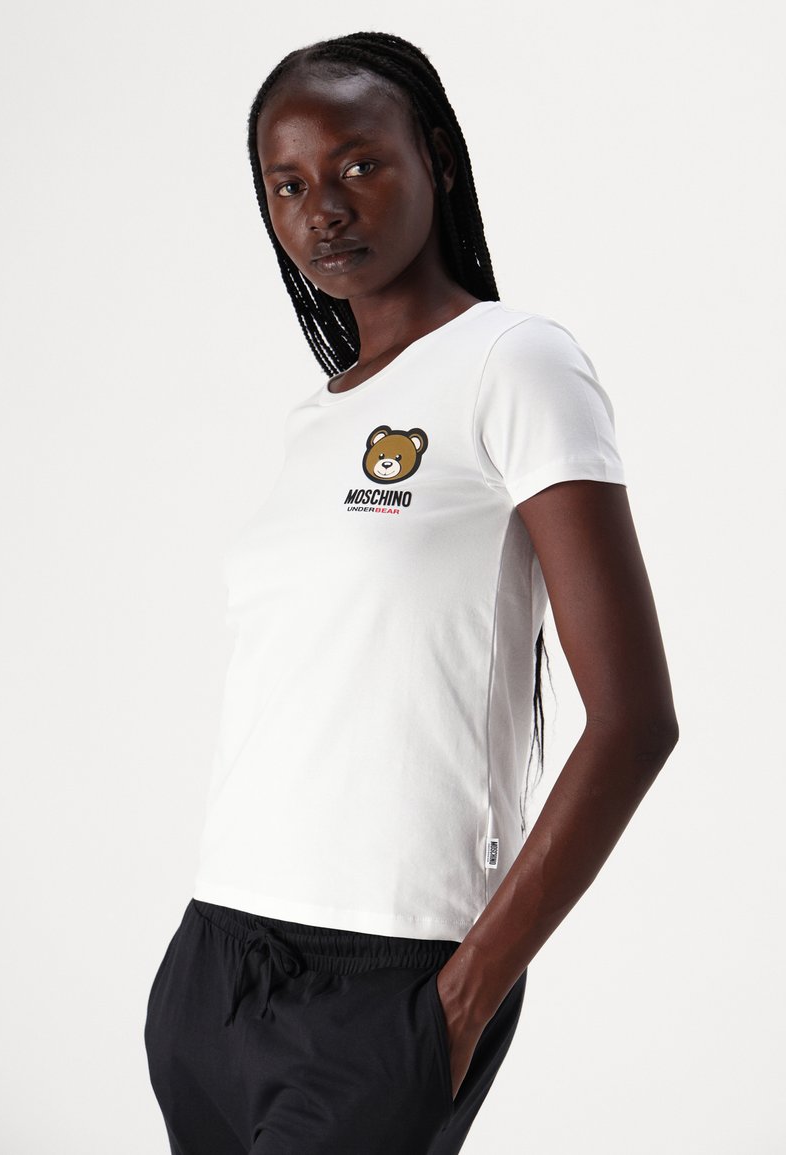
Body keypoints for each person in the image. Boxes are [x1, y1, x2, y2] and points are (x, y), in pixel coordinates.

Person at [144, 30, 679, 1155]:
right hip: (215, 965)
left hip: (390, 975)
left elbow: (634, 721)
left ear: (433, 156)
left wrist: (462, 1000)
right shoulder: (317, 418)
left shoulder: (516, 360)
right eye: (288, 185)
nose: (323, 210)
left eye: (358, 165)